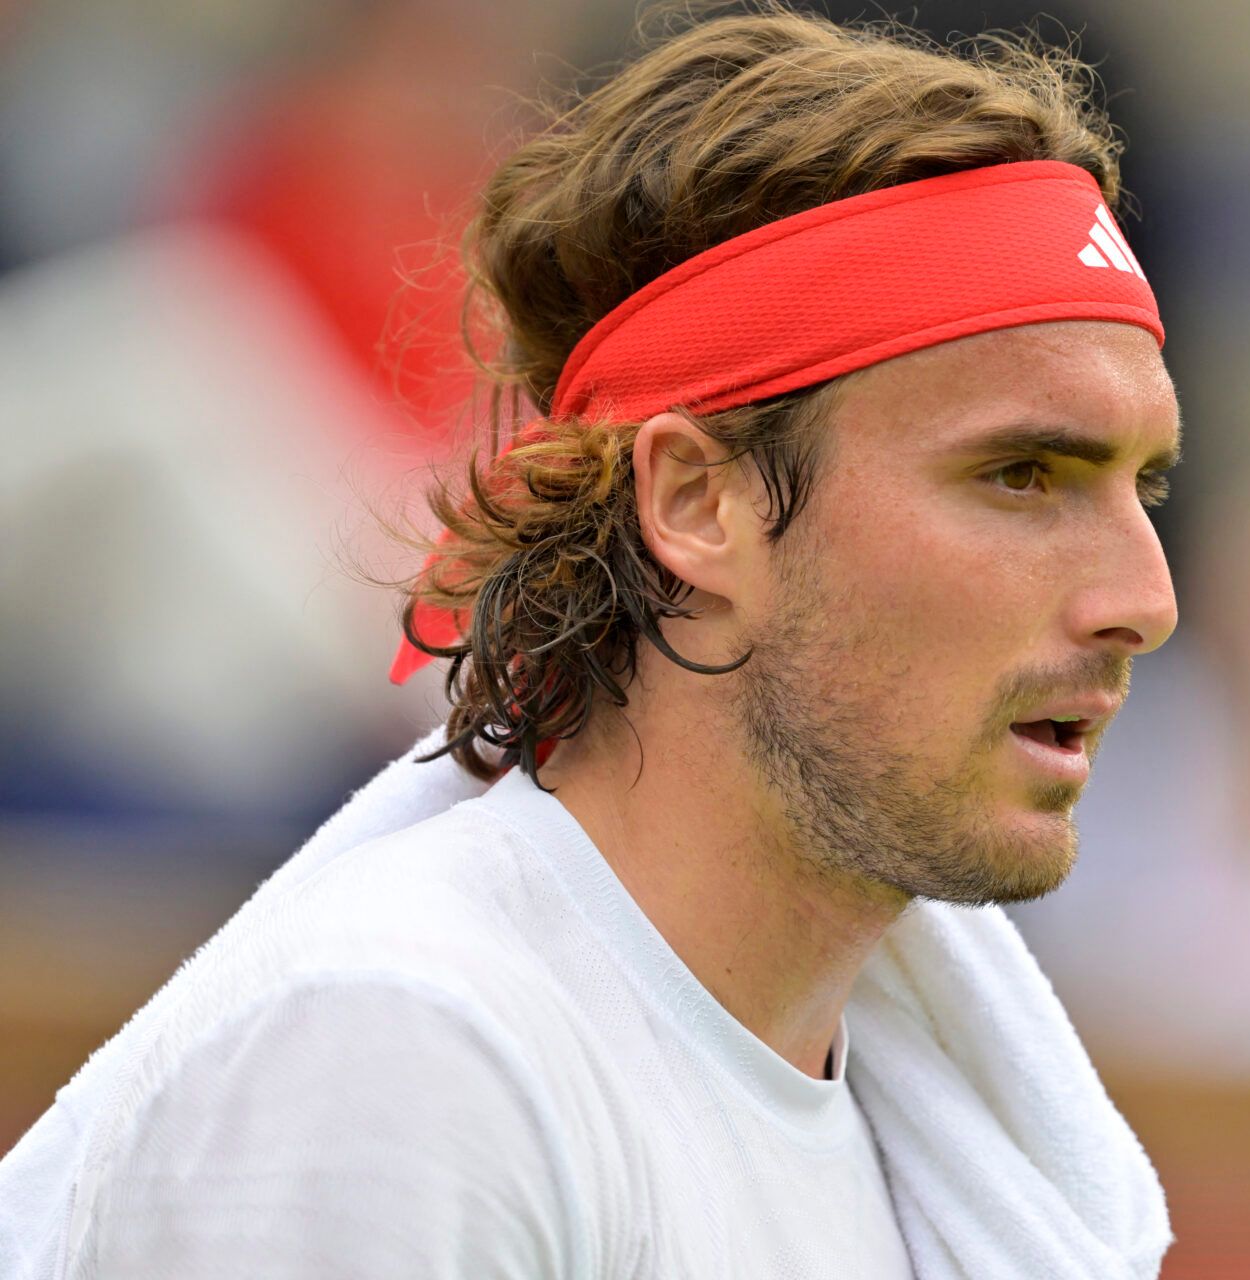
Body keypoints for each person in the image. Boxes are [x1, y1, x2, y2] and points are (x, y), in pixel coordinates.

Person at [0, 7, 1182, 1277]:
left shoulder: (926, 1127)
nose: (1144, 597)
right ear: (697, 504)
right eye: (1019, 474)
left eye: (1143, 487)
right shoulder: (404, 1056)